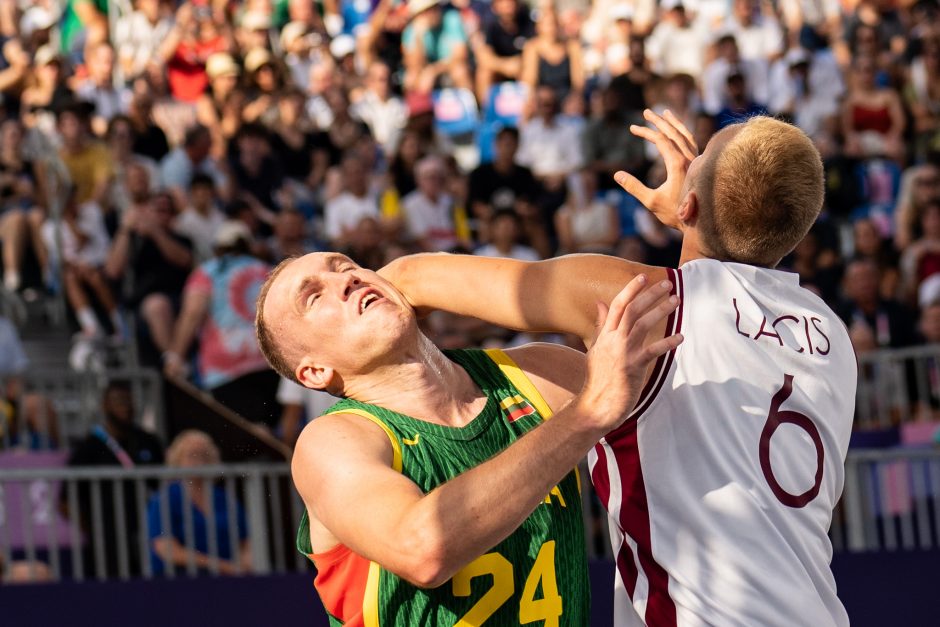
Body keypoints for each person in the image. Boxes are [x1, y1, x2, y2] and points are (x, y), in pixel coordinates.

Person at [382, 110, 857, 626]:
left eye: (696, 161)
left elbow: (413, 278)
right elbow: (737, 263)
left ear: (689, 202)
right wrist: (699, 215)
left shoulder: (649, 303)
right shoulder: (831, 334)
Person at [254, 251, 681, 624]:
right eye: (314, 296)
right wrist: (585, 413)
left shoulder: (534, 372)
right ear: (314, 373)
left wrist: (695, 225)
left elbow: (681, 349)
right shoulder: (333, 441)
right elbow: (422, 550)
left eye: (345, 265)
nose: (344, 279)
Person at [63, 380, 165, 578]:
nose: (125, 407)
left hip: (148, 530)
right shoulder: (88, 447)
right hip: (107, 536)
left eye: (128, 401)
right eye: (118, 401)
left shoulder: (149, 441)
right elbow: (65, 500)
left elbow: (163, 485)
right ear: (104, 405)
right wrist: (92, 528)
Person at [146, 430, 251, 576]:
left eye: (204, 455)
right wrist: (222, 566)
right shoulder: (165, 499)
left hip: (227, 579)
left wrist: (246, 563)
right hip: (178, 581)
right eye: (191, 455)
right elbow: (165, 548)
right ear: (178, 460)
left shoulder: (224, 498)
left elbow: (246, 541)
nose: (198, 461)